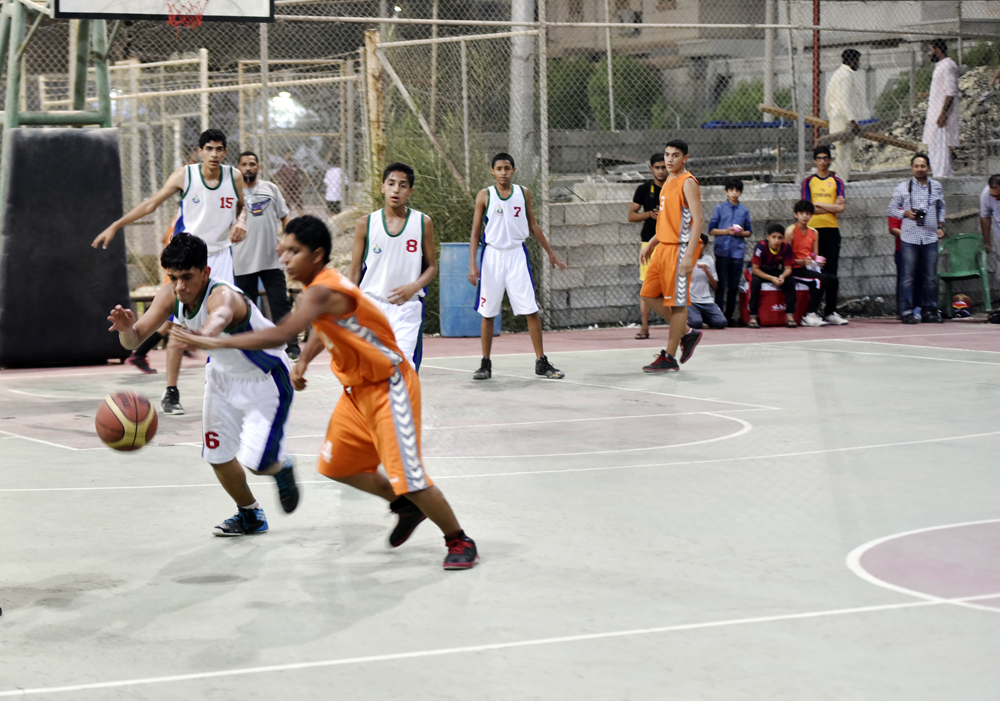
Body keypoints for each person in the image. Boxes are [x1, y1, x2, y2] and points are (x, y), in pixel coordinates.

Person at [173, 216, 479, 570]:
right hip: (357, 391)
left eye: (294, 251)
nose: (284, 258)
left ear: (317, 255)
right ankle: (405, 505)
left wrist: (214, 341)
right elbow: (324, 325)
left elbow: (280, 333)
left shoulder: (322, 290)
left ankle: (458, 538)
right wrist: (304, 359)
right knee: (337, 466)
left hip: (390, 386)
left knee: (409, 477)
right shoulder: (317, 289)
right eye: (283, 250)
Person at [106, 233, 298, 536]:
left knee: (257, 463)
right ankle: (250, 515)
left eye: (187, 277)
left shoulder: (223, 296)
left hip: (265, 380)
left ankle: (281, 466)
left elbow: (217, 320)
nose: (179, 286)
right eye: (173, 278)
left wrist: (199, 336)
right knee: (217, 455)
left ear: (205, 272)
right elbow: (134, 339)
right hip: (222, 377)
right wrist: (127, 329)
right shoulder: (171, 294)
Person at [93, 128, 246, 415]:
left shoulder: (233, 177)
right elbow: (151, 204)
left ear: (225, 152)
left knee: (224, 323)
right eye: (209, 148)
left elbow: (242, 207)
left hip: (221, 256)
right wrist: (117, 224)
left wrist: (241, 221)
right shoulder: (185, 176)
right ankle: (171, 391)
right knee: (179, 324)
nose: (214, 154)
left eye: (219, 149)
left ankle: (220, 385)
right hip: (189, 258)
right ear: (199, 152)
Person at [468, 153, 567, 380]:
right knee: (488, 312)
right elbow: (475, 233)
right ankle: (485, 363)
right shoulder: (485, 195)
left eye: (507, 168)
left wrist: (550, 253)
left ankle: (541, 361)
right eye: (499, 169)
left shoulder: (523, 193)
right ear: (492, 171)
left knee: (531, 309)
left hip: (516, 255)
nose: (503, 172)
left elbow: (533, 225)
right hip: (492, 256)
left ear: (513, 170)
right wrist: (472, 264)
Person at [347, 163, 437, 371]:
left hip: (407, 307)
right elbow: (355, 270)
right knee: (370, 368)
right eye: (391, 183)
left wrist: (414, 286)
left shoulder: (423, 223)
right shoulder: (366, 224)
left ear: (410, 191)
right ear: (382, 187)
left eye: (403, 185)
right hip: (372, 304)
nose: (396, 190)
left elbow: (432, 267)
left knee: (404, 368)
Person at [639, 139, 704, 372]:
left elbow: (699, 220)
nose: (669, 159)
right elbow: (668, 219)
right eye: (667, 154)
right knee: (647, 294)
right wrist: (652, 242)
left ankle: (669, 357)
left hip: (680, 248)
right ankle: (687, 332)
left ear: (685, 158)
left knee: (677, 304)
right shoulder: (668, 181)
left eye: (675, 155)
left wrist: (688, 255)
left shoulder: (688, 182)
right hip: (663, 247)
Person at [232, 151, 301, 361]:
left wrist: (286, 241)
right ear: (238, 168)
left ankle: (292, 346)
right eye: (244, 164)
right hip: (243, 260)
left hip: (271, 259)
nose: (248, 168)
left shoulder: (270, 189)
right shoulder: (232, 192)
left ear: (258, 167)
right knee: (246, 307)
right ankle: (249, 348)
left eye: (252, 164)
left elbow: (285, 216)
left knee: (281, 304)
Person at [888, 153, 946, 324]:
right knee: (907, 277)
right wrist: (905, 213)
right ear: (912, 168)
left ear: (928, 167)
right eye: (916, 166)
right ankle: (906, 311)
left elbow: (941, 207)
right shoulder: (903, 187)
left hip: (930, 237)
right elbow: (891, 209)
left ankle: (930, 310)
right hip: (909, 237)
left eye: (923, 166)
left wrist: (940, 226)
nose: (920, 169)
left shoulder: (936, 186)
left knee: (930, 277)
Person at [801, 145, 849, 325]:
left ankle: (830, 311)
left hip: (831, 230)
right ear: (815, 160)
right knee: (814, 270)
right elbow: (807, 207)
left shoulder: (837, 182)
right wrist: (832, 207)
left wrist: (820, 205)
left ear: (829, 160)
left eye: (825, 158)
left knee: (832, 273)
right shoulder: (808, 182)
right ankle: (811, 312)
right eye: (819, 158)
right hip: (813, 231)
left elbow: (841, 208)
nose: (822, 161)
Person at [627, 153, 667, 339]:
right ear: (651, 169)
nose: (661, 171)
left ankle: (680, 328)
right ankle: (644, 328)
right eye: (657, 167)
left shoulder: (674, 188)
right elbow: (631, 215)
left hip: (669, 243)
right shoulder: (644, 189)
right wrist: (650, 214)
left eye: (664, 167)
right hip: (649, 243)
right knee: (647, 287)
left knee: (672, 286)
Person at [707, 176, 753, 325]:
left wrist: (740, 233)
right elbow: (711, 230)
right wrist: (726, 231)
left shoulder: (744, 210)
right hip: (722, 250)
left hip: (737, 252)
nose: (734, 193)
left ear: (741, 192)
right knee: (721, 284)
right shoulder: (719, 208)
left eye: (737, 190)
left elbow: (749, 232)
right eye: (731, 190)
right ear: (726, 191)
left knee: (734, 285)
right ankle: (718, 315)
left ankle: (729, 315)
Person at [784, 200, 828, 327]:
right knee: (820, 279)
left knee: (832, 279)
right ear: (796, 214)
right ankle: (809, 314)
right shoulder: (790, 231)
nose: (805, 216)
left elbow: (814, 255)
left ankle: (830, 313)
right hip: (795, 268)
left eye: (808, 213)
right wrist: (802, 261)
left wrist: (818, 261)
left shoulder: (814, 232)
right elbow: (785, 259)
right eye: (802, 213)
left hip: (808, 267)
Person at [824, 48, 865, 181]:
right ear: (852, 61)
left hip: (836, 117)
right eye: (857, 61)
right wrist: (852, 120)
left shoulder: (837, 74)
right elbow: (844, 100)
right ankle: (841, 183)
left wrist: (831, 116)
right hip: (843, 120)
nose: (858, 64)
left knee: (841, 154)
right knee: (845, 154)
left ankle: (832, 178)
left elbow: (827, 100)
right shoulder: (846, 76)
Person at [923, 39, 960, 178]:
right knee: (935, 155)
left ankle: (943, 184)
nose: (929, 54)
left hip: (942, 121)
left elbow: (950, 92)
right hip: (936, 117)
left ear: (938, 50)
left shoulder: (948, 66)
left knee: (941, 157)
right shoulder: (941, 66)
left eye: (931, 50)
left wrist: (943, 114)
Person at [748, 225, 797, 329]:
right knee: (755, 282)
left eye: (779, 238)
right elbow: (755, 269)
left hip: (772, 270)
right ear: (768, 237)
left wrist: (782, 276)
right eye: (773, 237)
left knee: (790, 280)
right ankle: (753, 317)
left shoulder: (786, 247)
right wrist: (771, 278)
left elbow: (788, 268)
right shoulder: (761, 246)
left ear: (783, 238)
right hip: (757, 270)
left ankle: (790, 316)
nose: (776, 241)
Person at [686, 234, 726, 330]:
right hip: (691, 300)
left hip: (706, 300)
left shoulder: (709, 260)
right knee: (695, 323)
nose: (698, 246)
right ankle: (694, 317)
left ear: (705, 246)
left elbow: (715, 286)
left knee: (721, 322)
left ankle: (703, 316)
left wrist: (708, 273)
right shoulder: (685, 259)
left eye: (701, 244)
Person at [979, 173, 1000, 293]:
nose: (996, 199)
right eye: (994, 196)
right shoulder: (986, 195)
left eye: (999, 196)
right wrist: (987, 241)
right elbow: (985, 217)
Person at [274, 150, 305, 215]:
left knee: (298, 203)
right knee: (286, 204)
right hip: (285, 187)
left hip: (295, 187)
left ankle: (302, 218)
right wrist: (279, 185)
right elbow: (273, 175)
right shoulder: (282, 165)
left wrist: (303, 185)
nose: (289, 156)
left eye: (290, 154)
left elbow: (304, 174)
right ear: (284, 155)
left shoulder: (295, 165)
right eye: (287, 154)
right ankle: (288, 219)